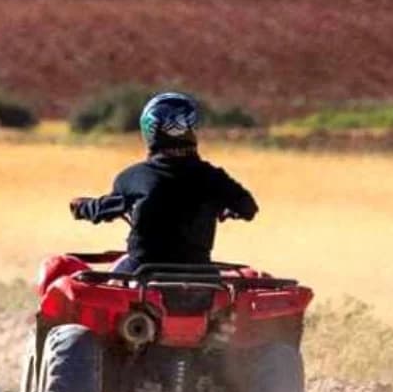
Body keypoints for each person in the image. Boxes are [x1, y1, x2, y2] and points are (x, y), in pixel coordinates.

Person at [69, 91, 258, 273]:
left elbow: (104, 209)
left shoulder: (134, 177)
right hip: (201, 278)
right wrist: (226, 209)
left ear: (150, 130)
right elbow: (248, 208)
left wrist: (82, 207)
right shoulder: (215, 178)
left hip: (142, 273)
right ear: (191, 128)